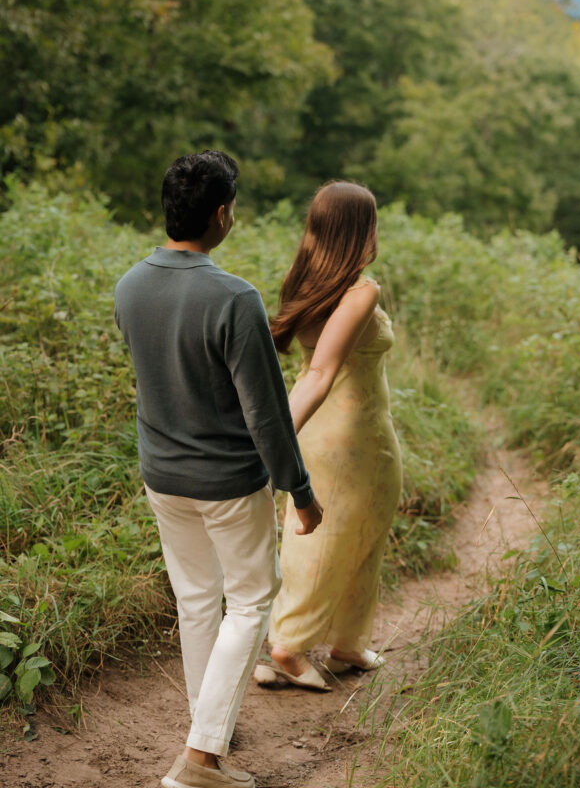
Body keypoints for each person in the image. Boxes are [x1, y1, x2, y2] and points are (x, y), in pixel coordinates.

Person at [114, 150, 323, 788]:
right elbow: (265, 416)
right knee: (252, 598)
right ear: (222, 215)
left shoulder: (129, 285)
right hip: (229, 481)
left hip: (163, 477)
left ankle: (209, 725)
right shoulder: (235, 298)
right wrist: (301, 491)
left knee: (198, 599)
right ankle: (201, 761)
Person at [255, 180, 402, 692]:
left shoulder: (306, 283)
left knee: (357, 532)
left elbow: (310, 371)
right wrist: (271, 440)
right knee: (331, 539)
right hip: (352, 437)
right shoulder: (362, 291)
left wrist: (281, 436)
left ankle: (346, 644)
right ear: (361, 229)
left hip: (330, 432)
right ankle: (287, 649)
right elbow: (321, 372)